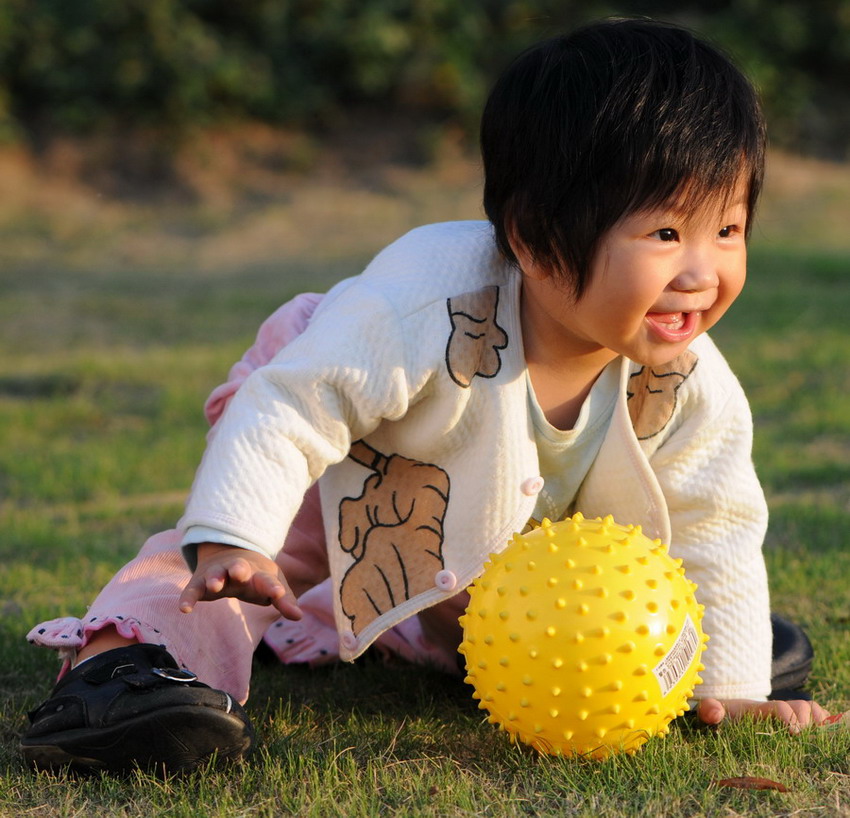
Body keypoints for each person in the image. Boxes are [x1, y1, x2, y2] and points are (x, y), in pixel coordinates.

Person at [21, 18, 831, 773]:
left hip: (460, 536)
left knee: (477, 591)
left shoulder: (688, 378)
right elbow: (293, 408)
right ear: (535, 237)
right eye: (664, 233)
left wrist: (730, 677)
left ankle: (433, 629)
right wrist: (232, 535)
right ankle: (126, 671)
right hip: (348, 437)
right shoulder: (427, 308)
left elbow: (713, 521)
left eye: (727, 229)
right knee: (242, 575)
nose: (702, 272)